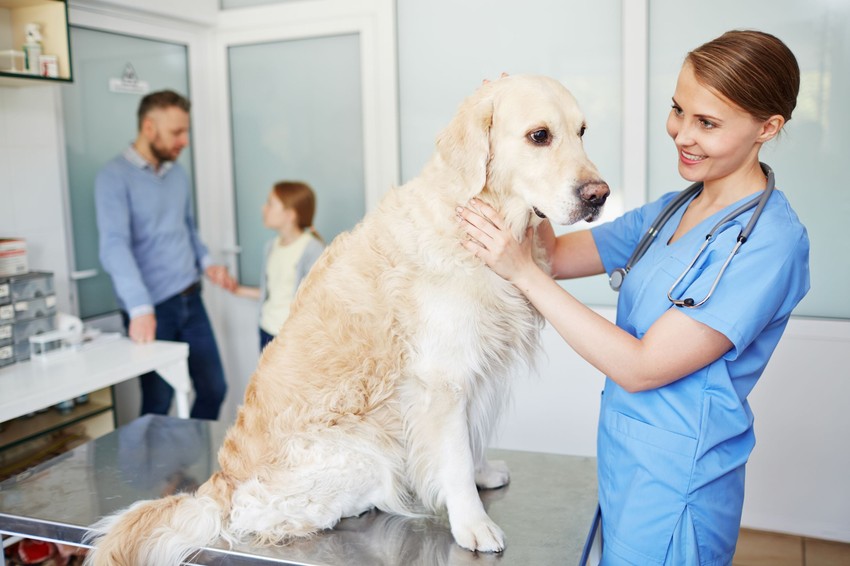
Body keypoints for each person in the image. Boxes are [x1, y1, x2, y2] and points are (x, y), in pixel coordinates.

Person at [456, 30, 810, 565]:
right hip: (625, 462)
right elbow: (561, 251)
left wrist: (523, 274)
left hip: (681, 484)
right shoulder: (674, 208)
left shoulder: (769, 243)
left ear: (768, 127)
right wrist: (515, 143)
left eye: (707, 123)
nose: (682, 135)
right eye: (678, 110)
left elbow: (644, 367)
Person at [95, 89, 234, 420]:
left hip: (191, 299)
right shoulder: (113, 178)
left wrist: (207, 262)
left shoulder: (177, 174)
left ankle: (188, 465)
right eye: (176, 132)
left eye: (185, 131)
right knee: (158, 404)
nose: (184, 141)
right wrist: (140, 308)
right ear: (148, 127)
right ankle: (156, 473)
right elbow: (114, 246)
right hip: (154, 308)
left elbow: (186, 227)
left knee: (214, 388)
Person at [234, 181, 325, 351]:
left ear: (290, 215)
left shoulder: (312, 249)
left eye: (270, 203)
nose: (263, 208)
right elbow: (273, 291)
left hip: (292, 337)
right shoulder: (271, 246)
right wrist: (237, 290)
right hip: (266, 330)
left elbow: (318, 300)